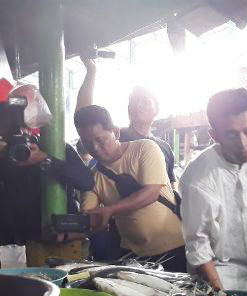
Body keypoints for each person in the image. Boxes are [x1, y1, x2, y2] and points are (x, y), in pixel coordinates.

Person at [180, 88, 247, 291]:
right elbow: (198, 245)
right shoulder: (198, 176)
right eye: (231, 134)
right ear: (214, 135)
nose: (243, 143)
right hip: (218, 275)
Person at [75, 105, 186, 271]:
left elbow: (151, 193)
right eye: (88, 143)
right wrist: (74, 229)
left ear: (116, 132)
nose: (95, 148)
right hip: (133, 255)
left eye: (100, 140)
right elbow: (90, 217)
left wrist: (110, 210)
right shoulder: (92, 176)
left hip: (174, 247)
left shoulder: (145, 149)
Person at [0, 83, 94, 246]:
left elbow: (86, 181)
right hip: (16, 243)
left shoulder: (55, 147)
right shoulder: (4, 150)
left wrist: (45, 159)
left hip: (59, 238)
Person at [77, 59, 176, 187]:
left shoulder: (165, 148)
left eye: (145, 101)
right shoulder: (114, 137)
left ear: (157, 110)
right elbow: (83, 115)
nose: (138, 105)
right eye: (133, 101)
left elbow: (171, 184)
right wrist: (91, 72)